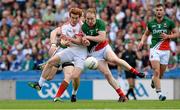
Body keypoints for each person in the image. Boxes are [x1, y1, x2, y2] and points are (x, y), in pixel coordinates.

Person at [81, 8, 145, 102]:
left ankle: (136, 72)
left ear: (96, 17)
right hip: (94, 54)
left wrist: (87, 37)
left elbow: (102, 38)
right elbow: (84, 41)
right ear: (85, 18)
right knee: (107, 74)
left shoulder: (100, 23)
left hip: (104, 48)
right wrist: (85, 41)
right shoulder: (83, 27)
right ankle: (122, 95)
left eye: (92, 19)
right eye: (88, 19)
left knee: (114, 59)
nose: (90, 21)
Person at [28, 8, 84, 102]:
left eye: (76, 18)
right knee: (50, 77)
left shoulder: (83, 27)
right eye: (72, 18)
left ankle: (73, 93)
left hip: (76, 55)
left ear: (79, 18)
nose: (74, 20)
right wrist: (55, 44)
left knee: (73, 77)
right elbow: (54, 33)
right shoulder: (65, 27)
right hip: (64, 53)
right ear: (69, 17)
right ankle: (45, 87)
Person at [138, 3, 179, 101]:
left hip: (165, 51)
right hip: (154, 49)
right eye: (157, 10)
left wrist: (168, 36)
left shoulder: (169, 22)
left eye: (161, 10)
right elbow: (146, 34)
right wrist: (142, 41)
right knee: (156, 71)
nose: (159, 11)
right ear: (155, 12)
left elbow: (177, 33)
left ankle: (153, 80)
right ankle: (159, 94)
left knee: (160, 74)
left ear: (164, 11)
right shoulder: (151, 23)